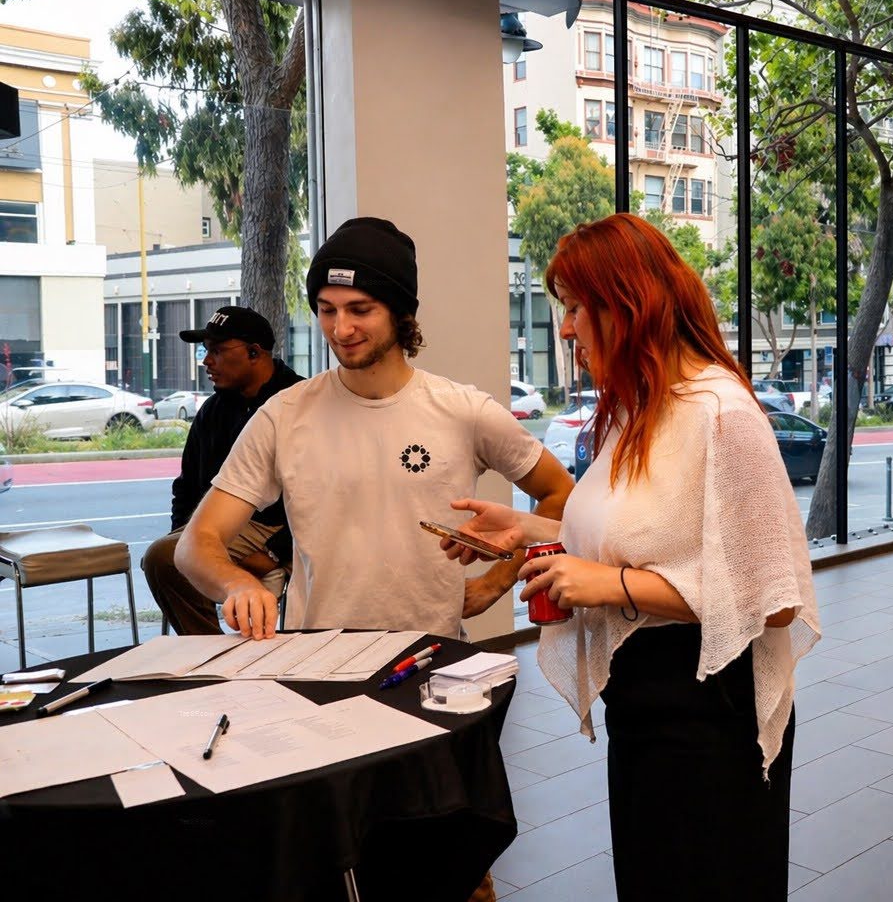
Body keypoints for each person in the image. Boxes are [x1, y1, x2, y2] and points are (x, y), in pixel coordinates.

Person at [445, 213, 819, 901]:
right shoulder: (639, 410)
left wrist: (612, 584)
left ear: (627, 305)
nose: (566, 329)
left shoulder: (723, 415)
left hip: (708, 712)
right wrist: (526, 528)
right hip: (645, 702)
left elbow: (774, 601)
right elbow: (633, 537)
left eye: (575, 308)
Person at [175, 216, 573, 641]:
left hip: (429, 659)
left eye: (360, 310)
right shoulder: (284, 415)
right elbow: (195, 543)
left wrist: (496, 583)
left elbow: (561, 495)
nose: (340, 329)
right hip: (316, 659)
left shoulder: (465, 411)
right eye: (327, 310)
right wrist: (237, 583)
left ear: (400, 313)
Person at [142, 306, 303, 634]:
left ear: (254, 352)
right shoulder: (213, 410)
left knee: (162, 557)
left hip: (273, 525)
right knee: (167, 558)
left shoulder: (299, 402)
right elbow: (187, 486)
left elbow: (322, 496)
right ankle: (209, 647)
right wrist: (185, 539)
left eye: (216, 351)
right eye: (205, 351)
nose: (206, 362)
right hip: (223, 523)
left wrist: (275, 553)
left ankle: (210, 650)